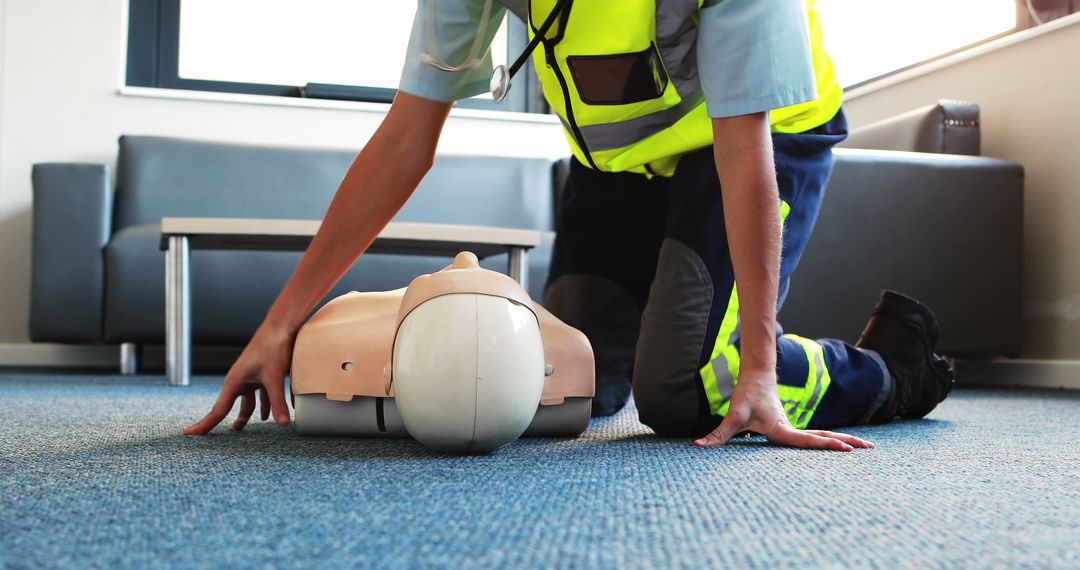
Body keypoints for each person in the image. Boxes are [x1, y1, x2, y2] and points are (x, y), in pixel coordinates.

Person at [185, 0, 955, 451]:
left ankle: (890, 369)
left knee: (686, 391)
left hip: (760, 138)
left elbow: (742, 153)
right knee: (560, 383)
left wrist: (756, 362)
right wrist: (281, 322)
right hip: (621, 164)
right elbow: (404, 141)